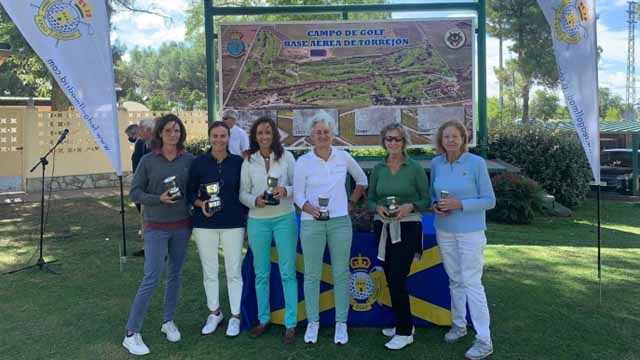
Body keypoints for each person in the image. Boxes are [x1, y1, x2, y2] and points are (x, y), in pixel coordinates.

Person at [122, 114, 194, 356]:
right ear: (160, 133)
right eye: (169, 130)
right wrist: (158, 199)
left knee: (175, 274)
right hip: (156, 227)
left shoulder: (189, 160)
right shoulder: (148, 160)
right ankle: (131, 333)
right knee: (151, 276)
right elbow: (135, 193)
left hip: (183, 226)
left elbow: (195, 189)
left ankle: (168, 321)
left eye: (177, 130)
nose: (174, 134)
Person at [293, 118, 368, 345]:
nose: (323, 136)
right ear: (311, 136)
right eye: (318, 132)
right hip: (311, 222)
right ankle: (313, 322)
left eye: (326, 132)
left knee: (341, 273)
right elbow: (297, 195)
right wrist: (310, 209)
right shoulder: (303, 161)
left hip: (340, 223)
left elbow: (362, 180)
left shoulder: (343, 157)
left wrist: (351, 202)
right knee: (312, 275)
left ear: (333, 134)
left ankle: (341, 323)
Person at [430, 120, 496, 360]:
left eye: (454, 136)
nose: (450, 140)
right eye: (446, 136)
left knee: (472, 283)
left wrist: (461, 204)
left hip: (470, 232)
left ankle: (484, 340)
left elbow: (490, 200)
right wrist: (435, 207)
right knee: (455, 280)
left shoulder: (476, 163)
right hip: (444, 229)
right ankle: (459, 325)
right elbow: (432, 197)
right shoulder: (436, 163)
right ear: (441, 140)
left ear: (463, 139)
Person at [367, 123, 430, 350]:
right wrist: (378, 209)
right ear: (383, 142)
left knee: (396, 277)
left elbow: (427, 199)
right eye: (389, 139)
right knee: (390, 276)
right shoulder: (378, 169)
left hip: (408, 226)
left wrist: (409, 207)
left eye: (398, 139)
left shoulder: (414, 168)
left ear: (404, 142)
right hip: (383, 227)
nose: (393, 143)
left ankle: (404, 332)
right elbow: (371, 198)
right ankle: (405, 323)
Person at [239, 116, 298, 344]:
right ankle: (264, 319)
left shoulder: (287, 157)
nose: (264, 137)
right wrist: (255, 201)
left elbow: (297, 186)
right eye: (260, 133)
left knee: (287, 271)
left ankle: (290, 324)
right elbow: (242, 193)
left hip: (284, 218)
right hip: (258, 221)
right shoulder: (249, 161)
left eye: (268, 133)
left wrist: (286, 190)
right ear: (255, 136)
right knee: (261, 273)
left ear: (274, 135)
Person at [187, 121, 246, 338]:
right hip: (205, 225)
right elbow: (190, 193)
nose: (219, 140)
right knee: (210, 271)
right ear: (209, 137)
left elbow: (245, 191)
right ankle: (215, 313)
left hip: (233, 223)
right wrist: (201, 205)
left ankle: (235, 316)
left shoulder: (239, 162)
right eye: (215, 136)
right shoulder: (199, 163)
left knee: (233, 271)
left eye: (223, 136)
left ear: (229, 138)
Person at [131, 117, 156, 257]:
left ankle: (158, 249)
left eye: (140, 129)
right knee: (144, 218)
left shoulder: (159, 144)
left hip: (155, 188)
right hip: (142, 187)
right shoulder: (140, 143)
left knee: (154, 219)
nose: (138, 131)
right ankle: (146, 247)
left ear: (148, 130)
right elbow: (135, 160)